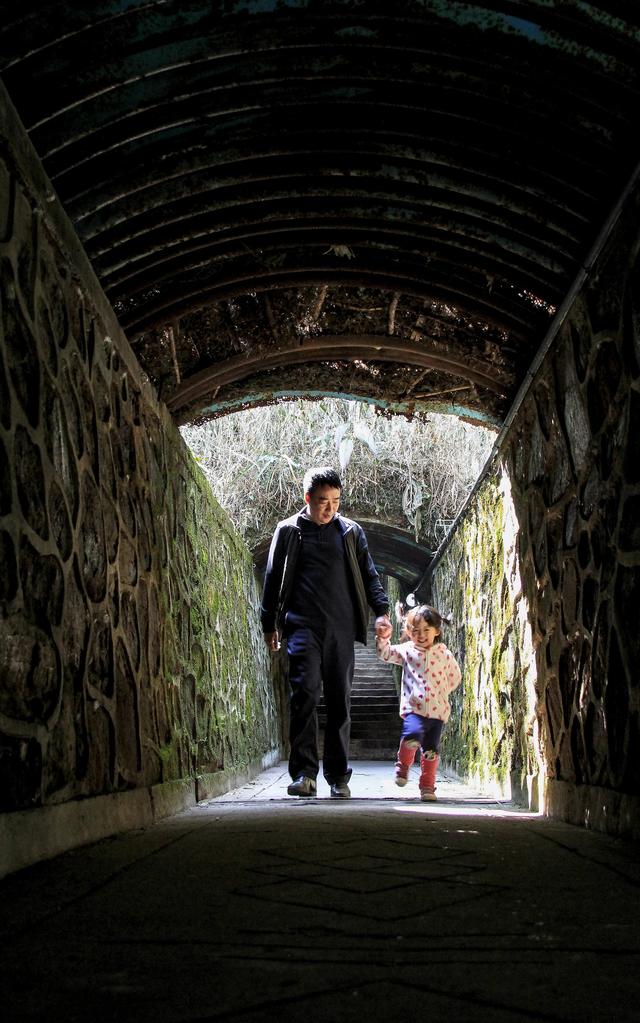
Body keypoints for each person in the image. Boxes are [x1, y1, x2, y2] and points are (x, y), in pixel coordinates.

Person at [261, 466, 391, 799]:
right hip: (302, 626)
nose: (330, 508)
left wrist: (382, 612)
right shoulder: (288, 531)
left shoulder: (350, 532)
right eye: (322, 501)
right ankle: (304, 774)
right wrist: (269, 624)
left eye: (335, 501)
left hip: (341, 629)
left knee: (340, 702)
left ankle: (338, 777)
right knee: (303, 695)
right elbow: (273, 580)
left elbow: (369, 574)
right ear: (307, 499)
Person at [375, 604, 461, 800]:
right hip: (414, 707)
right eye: (415, 631)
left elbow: (455, 676)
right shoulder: (407, 650)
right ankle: (403, 766)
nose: (421, 635)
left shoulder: (444, 654)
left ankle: (427, 787)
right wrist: (383, 637)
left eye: (426, 630)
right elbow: (385, 654)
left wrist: (442, 691)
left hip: (438, 711)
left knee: (431, 751)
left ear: (436, 631)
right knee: (412, 736)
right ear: (408, 632)